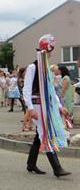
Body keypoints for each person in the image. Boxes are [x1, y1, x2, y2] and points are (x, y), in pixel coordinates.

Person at [24, 34, 70, 177]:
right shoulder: (33, 67)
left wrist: (59, 106)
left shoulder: (45, 68)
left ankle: (31, 163)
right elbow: (26, 89)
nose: (51, 54)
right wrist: (31, 108)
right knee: (46, 133)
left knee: (40, 134)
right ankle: (57, 168)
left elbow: (50, 90)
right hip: (37, 104)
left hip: (45, 105)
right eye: (50, 50)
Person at [18, 68, 33, 132]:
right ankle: (24, 126)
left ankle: (29, 125)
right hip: (25, 97)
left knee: (29, 111)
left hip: (26, 96)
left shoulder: (22, 79)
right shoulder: (21, 80)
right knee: (27, 111)